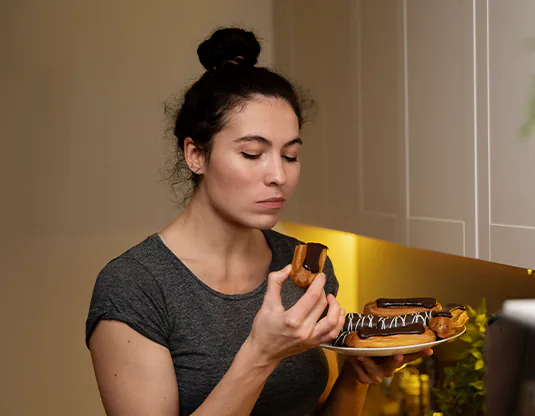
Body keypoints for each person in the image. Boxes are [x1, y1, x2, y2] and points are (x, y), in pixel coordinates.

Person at [85, 27, 432, 416]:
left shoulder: (305, 266)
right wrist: (261, 354)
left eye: (290, 155)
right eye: (252, 153)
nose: (278, 176)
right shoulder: (135, 286)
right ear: (196, 154)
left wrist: (355, 377)